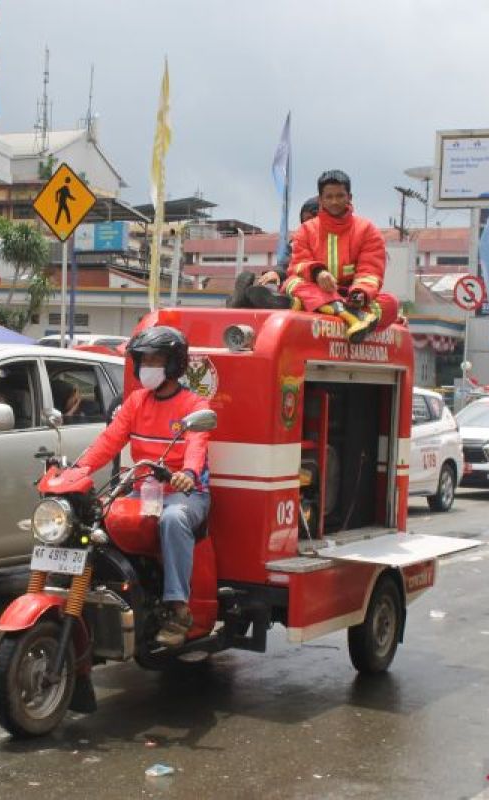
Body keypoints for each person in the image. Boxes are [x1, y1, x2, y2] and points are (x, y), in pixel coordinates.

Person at [73, 326, 211, 647]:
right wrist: (78, 469)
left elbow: (197, 445)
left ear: (174, 363)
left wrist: (187, 473)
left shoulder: (195, 405)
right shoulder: (136, 402)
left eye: (156, 358)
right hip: (141, 490)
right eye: (144, 359)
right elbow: (108, 442)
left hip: (185, 494)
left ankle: (178, 609)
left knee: (173, 519)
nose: (148, 365)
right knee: (97, 514)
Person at [283, 170, 400, 342]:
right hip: (315, 288)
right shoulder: (306, 230)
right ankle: (352, 317)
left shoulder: (367, 230)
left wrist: (360, 294)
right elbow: (299, 265)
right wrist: (318, 273)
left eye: (340, 196)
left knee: (391, 304)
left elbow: (370, 271)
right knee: (293, 283)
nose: (334, 201)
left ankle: (315, 307)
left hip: (349, 298)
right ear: (320, 199)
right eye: (329, 197)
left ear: (349, 197)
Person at [228, 196, 319, 310]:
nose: (308, 224)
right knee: (264, 290)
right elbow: (284, 264)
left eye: (313, 219)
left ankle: (266, 300)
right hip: (295, 286)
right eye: (305, 220)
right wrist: (276, 273)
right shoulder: (296, 242)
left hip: (315, 291)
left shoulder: (333, 241)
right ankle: (242, 298)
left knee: (292, 297)